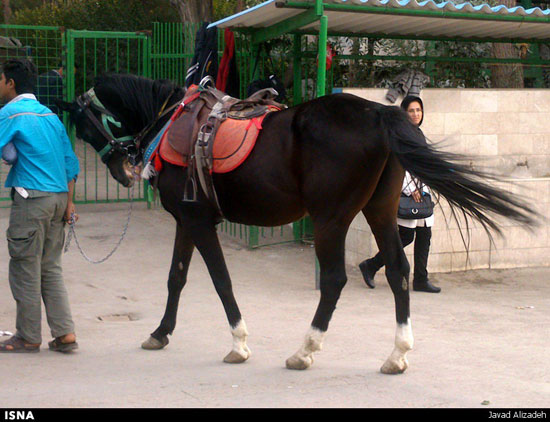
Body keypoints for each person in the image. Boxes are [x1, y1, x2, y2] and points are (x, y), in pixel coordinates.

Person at [0, 58, 80, 353]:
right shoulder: (50, 116)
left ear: (10, 83)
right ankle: (65, 333)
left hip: (32, 200)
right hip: (60, 199)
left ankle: (28, 335)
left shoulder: (11, 113)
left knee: (25, 267)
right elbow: (71, 164)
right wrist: (70, 203)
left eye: (1, 80)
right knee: (51, 268)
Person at [359, 95, 441, 293]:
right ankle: (371, 265)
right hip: (406, 193)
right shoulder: (399, 135)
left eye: (418, 110)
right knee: (404, 237)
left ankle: (421, 279)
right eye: (411, 111)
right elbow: (395, 166)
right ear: (404, 113)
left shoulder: (419, 134)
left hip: (422, 193)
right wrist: (409, 189)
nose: (415, 114)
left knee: (424, 235)